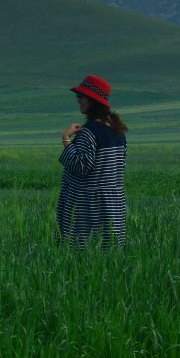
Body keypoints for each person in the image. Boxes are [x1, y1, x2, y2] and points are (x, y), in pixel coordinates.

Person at [57, 74, 127, 247]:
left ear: (93, 101)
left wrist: (66, 138)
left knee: (81, 253)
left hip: (87, 205)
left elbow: (81, 167)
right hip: (112, 204)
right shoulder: (118, 131)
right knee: (109, 253)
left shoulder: (89, 132)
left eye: (82, 97)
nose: (78, 100)